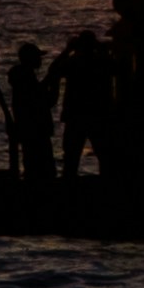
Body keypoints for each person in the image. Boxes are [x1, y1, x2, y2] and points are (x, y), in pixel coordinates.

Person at [58, 29, 114, 180]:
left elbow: (55, 70)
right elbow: (115, 66)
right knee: (105, 157)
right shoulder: (102, 61)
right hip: (98, 114)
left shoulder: (74, 62)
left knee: (71, 159)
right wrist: (102, 49)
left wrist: (68, 50)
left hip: (75, 115)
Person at [3, 41, 55, 182]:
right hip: (35, 133)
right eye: (38, 57)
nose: (40, 60)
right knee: (41, 172)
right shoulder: (26, 80)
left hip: (31, 133)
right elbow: (43, 100)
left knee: (34, 170)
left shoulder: (24, 78)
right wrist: (52, 79)